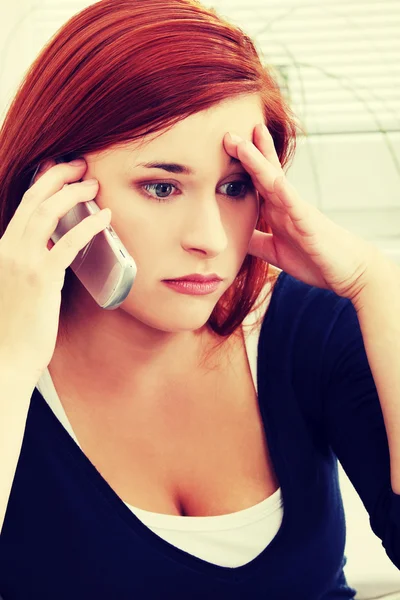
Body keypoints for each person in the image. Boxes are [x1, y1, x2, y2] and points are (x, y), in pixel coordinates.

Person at [1, 0, 400, 598]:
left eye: (234, 187)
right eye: (161, 187)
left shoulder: (305, 325)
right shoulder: (11, 354)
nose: (211, 240)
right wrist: (8, 364)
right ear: (56, 188)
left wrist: (375, 280)